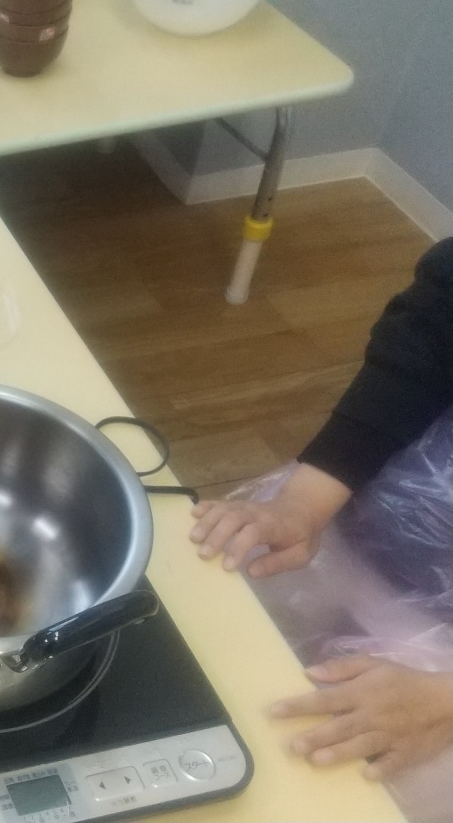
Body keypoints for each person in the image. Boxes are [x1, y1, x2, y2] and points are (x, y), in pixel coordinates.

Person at [190, 238, 453, 783]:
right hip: (363, 527)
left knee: (346, 785)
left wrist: (442, 703)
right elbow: (434, 330)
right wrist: (303, 504)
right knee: (206, 629)